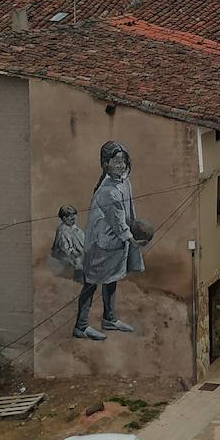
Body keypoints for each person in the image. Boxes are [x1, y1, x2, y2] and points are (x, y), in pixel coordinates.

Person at [74, 141, 143, 341]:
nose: (121, 165)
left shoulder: (124, 182)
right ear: (106, 164)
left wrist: (133, 230)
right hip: (100, 245)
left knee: (112, 279)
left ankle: (109, 319)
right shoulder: (107, 191)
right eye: (116, 161)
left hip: (115, 244)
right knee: (91, 284)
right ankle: (81, 326)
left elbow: (129, 212)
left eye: (123, 161)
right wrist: (132, 238)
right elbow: (117, 221)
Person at [49, 205, 85, 281]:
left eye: (74, 215)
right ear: (64, 218)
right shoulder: (62, 230)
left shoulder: (76, 229)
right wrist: (75, 253)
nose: (73, 217)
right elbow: (64, 247)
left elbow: (83, 241)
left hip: (77, 252)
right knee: (78, 262)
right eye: (70, 216)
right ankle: (78, 280)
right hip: (63, 254)